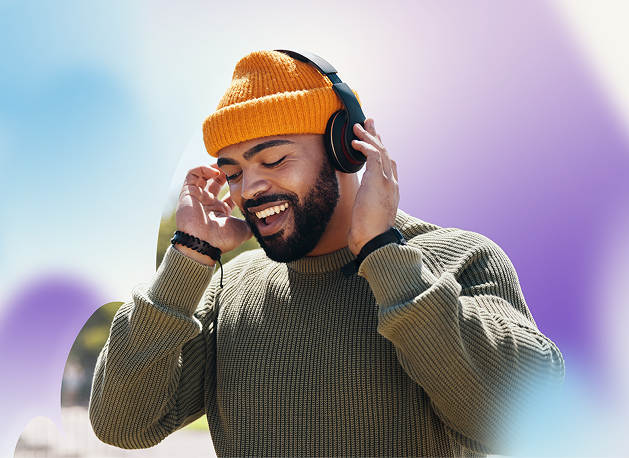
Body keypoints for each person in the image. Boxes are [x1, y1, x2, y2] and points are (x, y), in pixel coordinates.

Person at [89, 50, 565, 458]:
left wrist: (382, 253)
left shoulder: (460, 259)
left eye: (273, 160)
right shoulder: (228, 287)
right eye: (233, 172)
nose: (250, 188)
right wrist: (189, 258)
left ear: (346, 149)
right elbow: (121, 424)